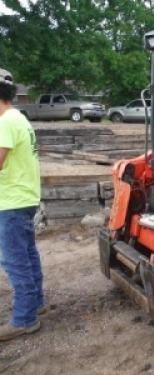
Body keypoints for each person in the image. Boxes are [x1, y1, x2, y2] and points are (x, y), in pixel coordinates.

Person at [0, 68, 44, 341]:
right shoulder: (20, 119)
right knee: (27, 256)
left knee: (15, 260)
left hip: (11, 202)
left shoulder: (5, 122)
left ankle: (25, 318)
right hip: (24, 198)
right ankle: (34, 303)